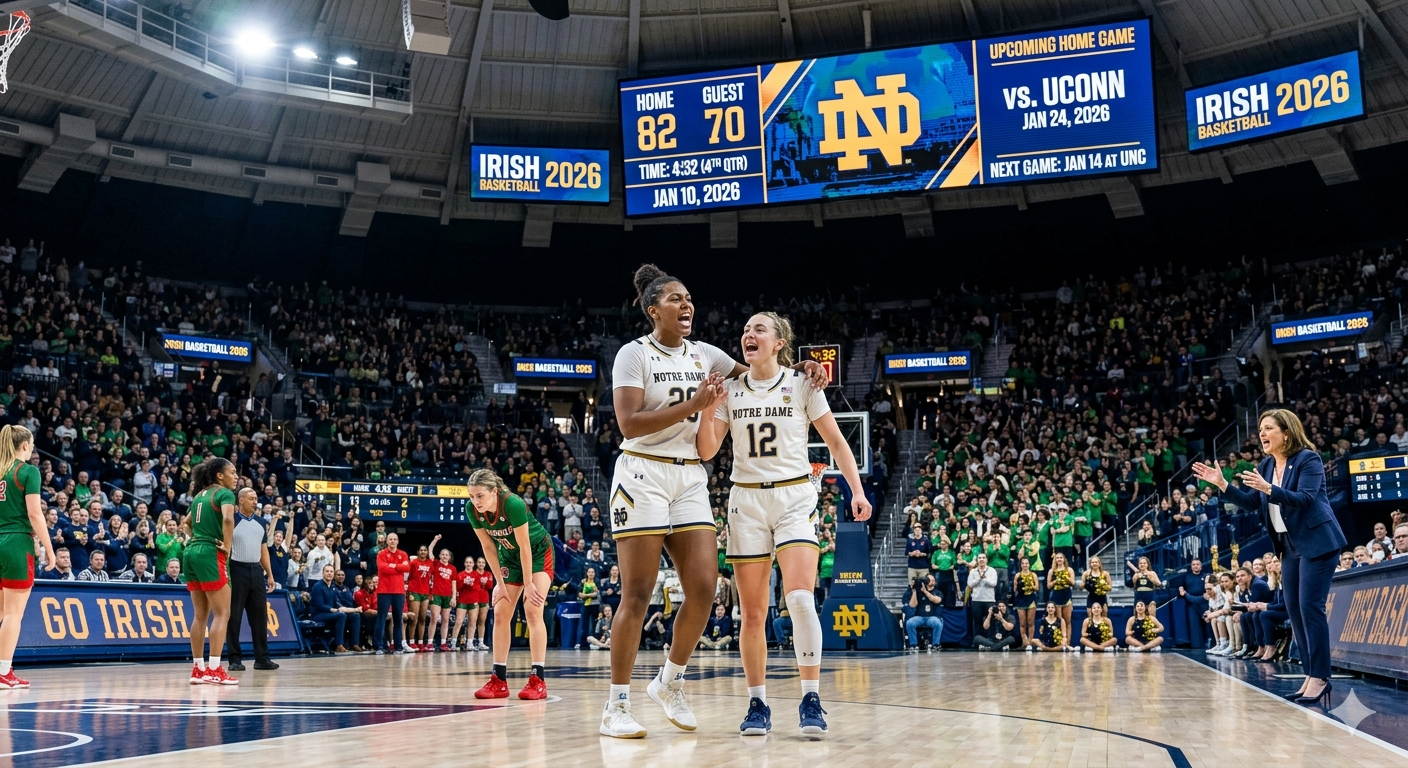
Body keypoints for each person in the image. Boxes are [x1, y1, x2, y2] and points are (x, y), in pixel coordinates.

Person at [600, 264, 828, 739]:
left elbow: (763, 375)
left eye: (689, 299)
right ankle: (617, 704)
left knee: (704, 587)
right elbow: (628, 423)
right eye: (676, 299)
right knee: (638, 593)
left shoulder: (707, 354)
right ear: (652, 310)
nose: (687, 306)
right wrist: (695, 406)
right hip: (641, 471)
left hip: (689, 476)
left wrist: (805, 368)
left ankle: (670, 682)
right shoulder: (632, 354)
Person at [694, 310, 871, 738]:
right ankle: (758, 703)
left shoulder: (803, 383)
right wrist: (707, 409)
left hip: (794, 496)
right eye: (745, 329)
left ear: (779, 343)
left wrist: (857, 490)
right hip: (747, 500)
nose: (747, 333)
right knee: (752, 613)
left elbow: (836, 442)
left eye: (758, 328)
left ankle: (811, 697)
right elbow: (705, 451)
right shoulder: (731, 390)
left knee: (800, 600)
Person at [1193, 408, 1348, 706]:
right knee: (1294, 610)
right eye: (1261, 429)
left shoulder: (1308, 459)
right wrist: (1223, 485)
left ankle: (1321, 677)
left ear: (1286, 432)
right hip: (1289, 547)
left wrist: (1270, 489)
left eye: (1268, 428)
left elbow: (1304, 499)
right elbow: (1254, 502)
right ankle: (1310, 673)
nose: (1262, 434)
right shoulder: (1266, 465)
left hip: (1317, 542)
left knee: (1309, 607)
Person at [467, 469, 553, 701]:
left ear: (494, 492)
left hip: (536, 552)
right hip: (509, 556)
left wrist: (528, 584)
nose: (476, 502)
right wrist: (500, 583)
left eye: (480, 496)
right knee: (502, 611)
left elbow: (524, 545)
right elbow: (488, 547)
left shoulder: (512, 504)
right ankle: (498, 680)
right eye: (472, 496)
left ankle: (538, 679)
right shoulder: (472, 510)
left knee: (533, 610)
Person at [0, 425, 56, 688]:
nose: (33, 448)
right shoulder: (28, 471)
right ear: (25, 445)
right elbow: (35, 514)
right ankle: (3, 672)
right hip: (16, 542)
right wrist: (49, 548)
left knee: (1, 611)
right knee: (13, 614)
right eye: (32, 444)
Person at [181, 457, 239, 685]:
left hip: (191, 551)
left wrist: (196, 539)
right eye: (232, 472)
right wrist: (227, 545)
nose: (236, 477)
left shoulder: (199, 496)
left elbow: (185, 524)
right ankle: (215, 669)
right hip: (210, 552)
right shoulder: (224, 494)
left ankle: (198, 669)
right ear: (220, 475)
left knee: (199, 615)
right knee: (223, 613)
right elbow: (227, 518)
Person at [225, 487, 279, 672]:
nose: (255, 501)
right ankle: (234, 659)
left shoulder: (260, 522)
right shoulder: (232, 520)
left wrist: (269, 574)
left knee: (260, 618)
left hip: (256, 571)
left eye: (256, 498)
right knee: (234, 617)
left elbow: (263, 550)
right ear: (240, 500)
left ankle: (262, 658)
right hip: (236, 568)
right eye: (251, 498)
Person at [373, 532, 410, 655]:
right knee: (381, 618)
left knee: (398, 619)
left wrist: (393, 566)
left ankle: (398, 647)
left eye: (395, 539)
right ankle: (379, 646)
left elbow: (407, 568)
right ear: (387, 541)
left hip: (399, 591)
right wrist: (398, 567)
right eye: (390, 539)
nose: (392, 541)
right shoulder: (381, 554)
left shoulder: (403, 554)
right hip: (384, 591)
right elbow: (383, 568)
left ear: (398, 541)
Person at [310, 564, 357, 653]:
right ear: (322, 573)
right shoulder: (318, 586)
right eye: (327, 571)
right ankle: (338, 644)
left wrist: (348, 609)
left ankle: (355, 643)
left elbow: (337, 603)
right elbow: (319, 605)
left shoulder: (332, 587)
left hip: (330, 613)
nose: (329, 573)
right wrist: (333, 610)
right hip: (318, 614)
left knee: (355, 616)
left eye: (331, 571)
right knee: (341, 615)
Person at [406, 538, 440, 652]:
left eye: (425, 550)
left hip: (425, 593)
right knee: (414, 618)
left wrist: (430, 593)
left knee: (422, 618)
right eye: (421, 550)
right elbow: (408, 576)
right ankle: (411, 641)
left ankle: (420, 642)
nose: (423, 552)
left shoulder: (430, 563)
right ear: (418, 552)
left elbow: (431, 578)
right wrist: (408, 591)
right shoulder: (414, 563)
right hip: (414, 591)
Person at [451, 556, 486, 652]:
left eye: (470, 562)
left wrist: (471, 584)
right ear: (464, 564)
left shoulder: (476, 575)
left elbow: (479, 588)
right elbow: (457, 587)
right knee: (458, 621)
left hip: (473, 600)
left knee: (472, 622)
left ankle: (470, 643)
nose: (469, 564)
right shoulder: (461, 574)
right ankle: (453, 643)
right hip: (462, 600)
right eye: (467, 562)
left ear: (473, 564)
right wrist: (463, 583)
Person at [428, 548, 457, 651]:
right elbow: (430, 550)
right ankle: (430, 643)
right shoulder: (435, 563)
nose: (445, 556)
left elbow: (454, 584)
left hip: (447, 595)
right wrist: (435, 540)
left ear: (449, 557)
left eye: (447, 555)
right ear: (439, 556)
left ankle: (443, 643)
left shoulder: (452, 568)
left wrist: (454, 598)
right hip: (436, 594)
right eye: (443, 554)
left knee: (445, 620)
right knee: (434, 618)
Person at [1046, 552, 1075, 650]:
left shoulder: (1069, 570)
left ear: (1064, 559)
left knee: (1067, 621)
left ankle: (1068, 643)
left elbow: (1073, 583)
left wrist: (1066, 578)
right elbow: (1048, 586)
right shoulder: (1052, 571)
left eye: (1061, 558)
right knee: (1059, 621)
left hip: (1066, 595)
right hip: (1056, 596)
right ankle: (1060, 643)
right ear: (1055, 560)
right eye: (1057, 558)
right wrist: (1055, 581)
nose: (1059, 559)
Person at [906, 575, 944, 650]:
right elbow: (912, 605)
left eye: (933, 580)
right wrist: (914, 591)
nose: (932, 581)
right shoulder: (919, 591)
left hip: (932, 617)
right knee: (909, 623)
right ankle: (913, 644)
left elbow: (936, 600)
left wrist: (925, 591)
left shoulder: (937, 592)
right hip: (919, 617)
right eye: (930, 580)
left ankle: (935, 644)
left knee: (938, 623)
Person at [1012, 558, 1039, 648]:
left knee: (1030, 622)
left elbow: (1037, 588)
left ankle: (1030, 641)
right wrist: (1020, 586)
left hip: (1031, 599)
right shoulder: (1017, 575)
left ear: (1029, 564)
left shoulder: (1033, 575)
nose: (1025, 565)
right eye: (1023, 563)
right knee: (1022, 623)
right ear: (1021, 565)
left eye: (1026, 563)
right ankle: (1024, 641)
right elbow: (1014, 589)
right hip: (1021, 599)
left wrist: (1030, 585)